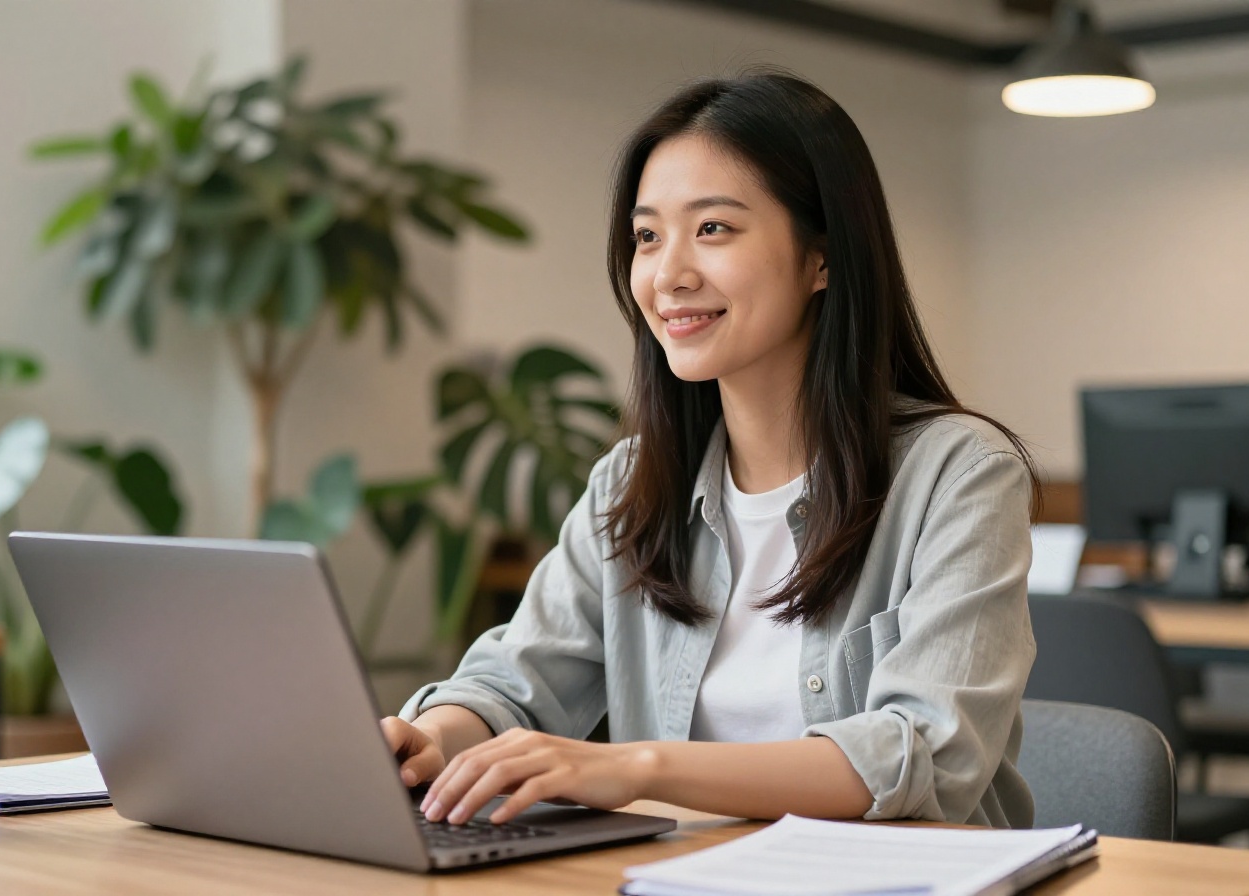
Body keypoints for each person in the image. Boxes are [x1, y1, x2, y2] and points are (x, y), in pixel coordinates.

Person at [380, 68, 1040, 830]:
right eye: (647, 236)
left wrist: (637, 767)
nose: (668, 275)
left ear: (822, 257)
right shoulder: (631, 482)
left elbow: (919, 753)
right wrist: (429, 739)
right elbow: (512, 682)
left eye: (713, 229)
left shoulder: (960, 475)